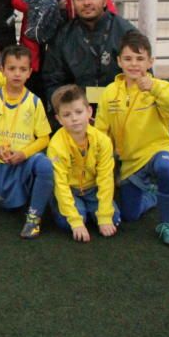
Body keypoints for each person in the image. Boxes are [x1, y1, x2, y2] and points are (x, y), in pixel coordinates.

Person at [95, 31, 169, 246]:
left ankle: (167, 224)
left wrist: (155, 90)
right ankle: (152, 194)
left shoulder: (162, 86)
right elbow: (101, 129)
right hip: (130, 161)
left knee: (165, 168)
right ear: (118, 61)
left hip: (157, 149)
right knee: (130, 215)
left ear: (150, 62)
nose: (134, 64)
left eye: (139, 59)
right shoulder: (108, 92)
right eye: (128, 59)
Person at [0, 45, 53, 239]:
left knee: (44, 163)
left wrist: (24, 154)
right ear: (2, 70)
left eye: (22, 69)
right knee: (10, 205)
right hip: (1, 163)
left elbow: (44, 138)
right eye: (12, 68)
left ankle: (34, 217)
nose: (17, 74)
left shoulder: (34, 102)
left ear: (30, 72)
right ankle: (29, 197)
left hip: (24, 161)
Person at [42, 0, 137, 110]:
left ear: (104, 1)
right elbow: (52, 81)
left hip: (120, 110)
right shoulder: (62, 36)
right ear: (73, 2)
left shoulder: (126, 33)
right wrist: (71, 110)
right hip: (77, 115)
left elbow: (141, 75)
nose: (86, 2)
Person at [48, 85, 120, 242]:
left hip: (93, 188)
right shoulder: (56, 145)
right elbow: (60, 184)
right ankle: (65, 207)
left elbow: (106, 178)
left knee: (114, 219)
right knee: (67, 224)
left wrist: (104, 216)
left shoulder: (103, 141)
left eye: (79, 112)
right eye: (67, 115)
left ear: (89, 111)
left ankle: (91, 211)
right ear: (58, 119)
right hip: (71, 189)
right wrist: (75, 221)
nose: (74, 118)